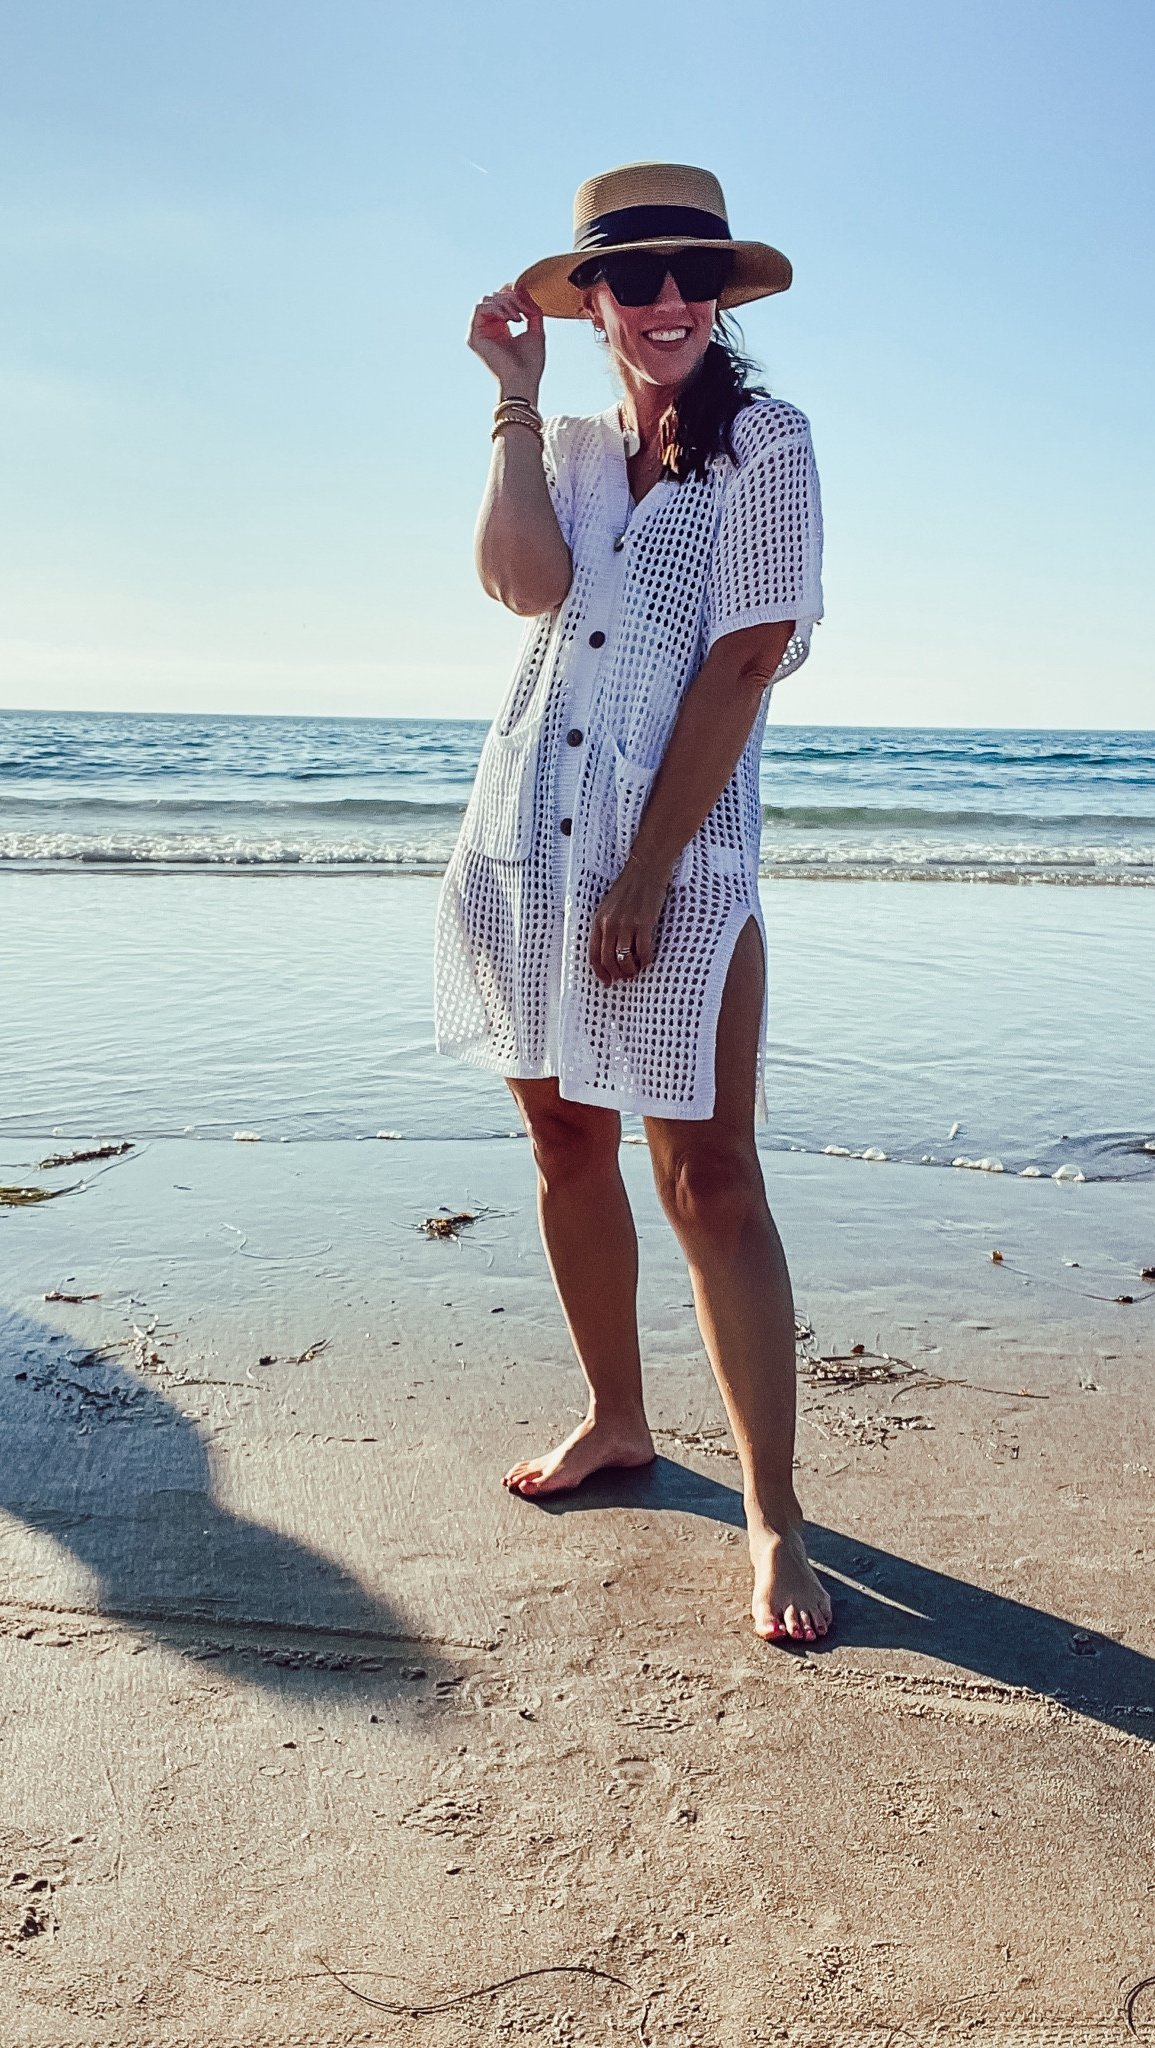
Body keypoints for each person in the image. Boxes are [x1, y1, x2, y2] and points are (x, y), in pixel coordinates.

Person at [434, 162, 830, 1643]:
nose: (667, 303)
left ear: (720, 295)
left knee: (712, 1175)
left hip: (680, 852)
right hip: (523, 835)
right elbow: (521, 586)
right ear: (591, 298)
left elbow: (746, 662)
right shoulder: (582, 448)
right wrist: (512, 401)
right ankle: (616, 1419)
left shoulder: (768, 445)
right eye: (635, 278)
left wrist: (653, 867)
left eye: (693, 278)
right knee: (561, 1134)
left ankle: (775, 1518)